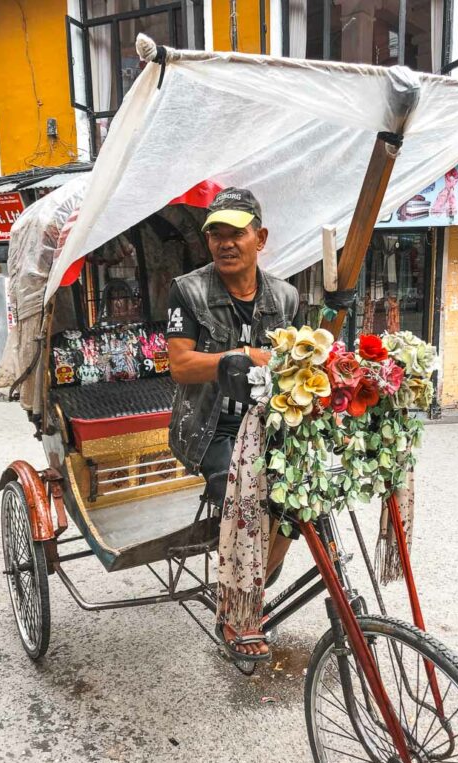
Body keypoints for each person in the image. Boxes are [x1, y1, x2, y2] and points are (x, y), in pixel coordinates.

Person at [166, 187, 300, 658]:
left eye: (236, 233)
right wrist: (239, 357)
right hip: (210, 429)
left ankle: (249, 590)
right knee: (242, 498)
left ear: (259, 238)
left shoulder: (286, 297)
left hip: (265, 425)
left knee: (300, 502)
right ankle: (235, 610)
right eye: (216, 235)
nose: (225, 243)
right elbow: (180, 365)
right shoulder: (188, 290)